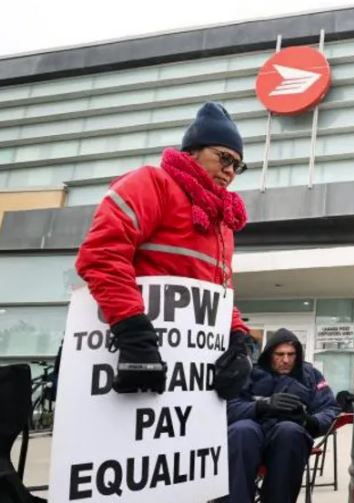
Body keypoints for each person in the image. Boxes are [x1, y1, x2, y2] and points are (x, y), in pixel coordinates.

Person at [75, 101, 253, 398]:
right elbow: (101, 255)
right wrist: (133, 334)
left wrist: (239, 339)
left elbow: (218, 292)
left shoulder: (222, 223)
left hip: (186, 372)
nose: (230, 171)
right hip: (124, 351)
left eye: (238, 165)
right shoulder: (151, 183)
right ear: (192, 151)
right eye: (223, 157)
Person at [224, 329, 340, 503]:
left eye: (291, 354)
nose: (286, 360)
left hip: (287, 440)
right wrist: (261, 406)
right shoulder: (250, 373)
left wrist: (309, 421)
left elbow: (330, 409)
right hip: (253, 434)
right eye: (280, 354)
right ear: (270, 354)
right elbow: (230, 408)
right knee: (241, 430)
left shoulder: (310, 375)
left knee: (290, 431)